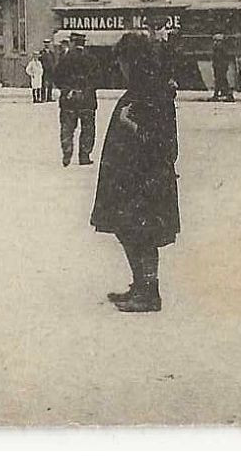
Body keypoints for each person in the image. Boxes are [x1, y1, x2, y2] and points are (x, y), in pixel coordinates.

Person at [91, 31, 181, 314]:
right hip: (128, 180)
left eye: (123, 62)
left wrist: (131, 127)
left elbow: (165, 145)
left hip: (145, 181)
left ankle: (149, 293)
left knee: (142, 233)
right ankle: (140, 284)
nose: (120, 68)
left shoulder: (153, 94)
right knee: (127, 230)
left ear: (135, 62)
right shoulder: (141, 91)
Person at [55, 32, 98, 167]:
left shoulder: (65, 58)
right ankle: (84, 155)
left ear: (73, 42)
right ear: (84, 44)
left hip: (69, 99)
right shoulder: (91, 58)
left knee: (67, 127)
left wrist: (67, 89)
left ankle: (67, 153)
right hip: (87, 99)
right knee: (88, 127)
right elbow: (98, 78)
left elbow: (57, 77)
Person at [209, 34, 235, 102]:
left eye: (217, 41)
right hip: (219, 66)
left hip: (220, 66)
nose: (215, 42)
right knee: (220, 81)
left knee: (221, 81)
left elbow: (221, 59)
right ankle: (222, 95)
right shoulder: (219, 48)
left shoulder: (221, 49)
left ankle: (220, 95)